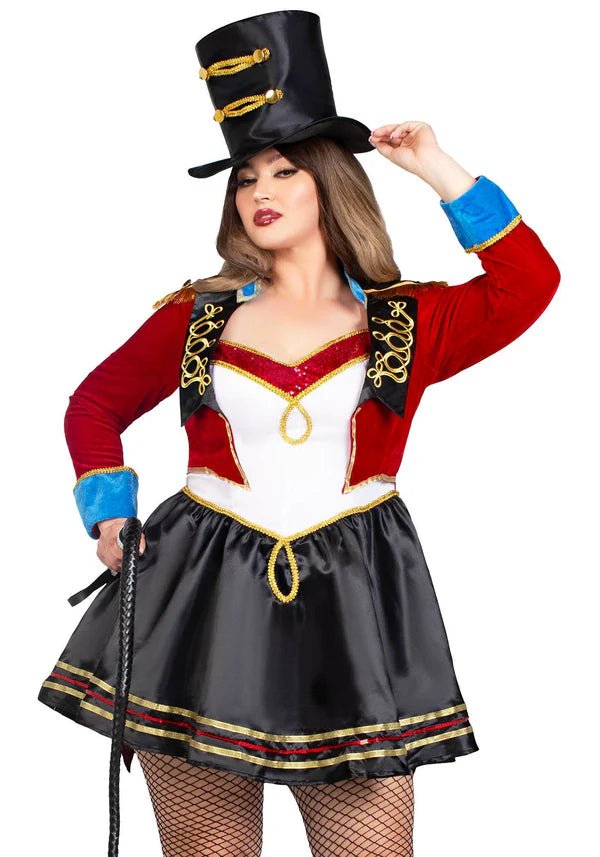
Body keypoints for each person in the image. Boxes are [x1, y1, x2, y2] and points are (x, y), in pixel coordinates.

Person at [37, 11, 560, 857]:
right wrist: (109, 515)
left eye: (285, 171)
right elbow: (93, 404)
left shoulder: (406, 321)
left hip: (354, 598)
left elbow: (528, 283)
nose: (261, 192)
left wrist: (436, 167)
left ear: (329, 184)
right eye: (245, 178)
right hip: (197, 597)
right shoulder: (196, 317)